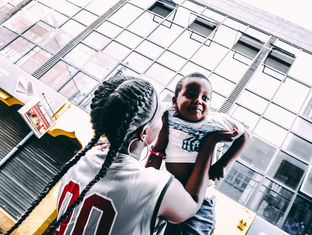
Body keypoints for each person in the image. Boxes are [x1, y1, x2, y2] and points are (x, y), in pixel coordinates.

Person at [4, 75, 238, 235]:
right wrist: (209, 143)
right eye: (160, 118)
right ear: (146, 132)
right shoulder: (154, 186)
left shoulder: (79, 160)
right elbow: (193, 204)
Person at [146, 72, 249, 235]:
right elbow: (144, 121)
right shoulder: (168, 113)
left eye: (205, 98)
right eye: (190, 95)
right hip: (171, 190)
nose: (198, 101)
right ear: (174, 100)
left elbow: (244, 135)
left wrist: (222, 164)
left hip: (201, 201)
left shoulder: (216, 122)